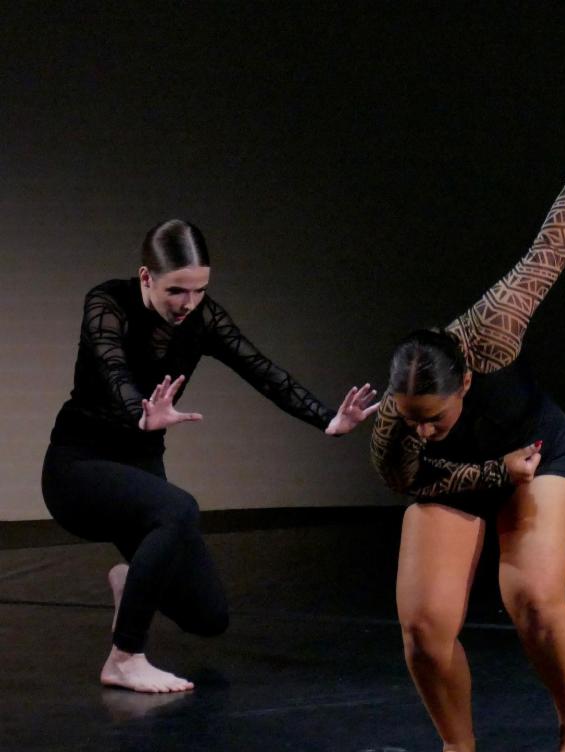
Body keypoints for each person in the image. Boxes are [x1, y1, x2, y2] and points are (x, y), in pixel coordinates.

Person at [368, 95, 565, 752]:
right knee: (422, 625)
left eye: (432, 414)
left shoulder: (493, 329)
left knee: (533, 598)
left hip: (540, 456)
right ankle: (457, 745)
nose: (418, 426)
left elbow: (552, 246)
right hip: (471, 475)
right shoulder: (397, 427)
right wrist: (480, 468)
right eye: (408, 416)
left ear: (466, 380)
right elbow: (409, 480)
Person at [41, 219, 379, 694]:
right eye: (176, 290)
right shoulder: (107, 302)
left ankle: (130, 580)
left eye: (199, 291)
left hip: (139, 473)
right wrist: (140, 412)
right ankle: (124, 659)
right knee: (179, 508)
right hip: (78, 468)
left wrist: (328, 419)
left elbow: (260, 368)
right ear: (145, 278)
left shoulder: (203, 319)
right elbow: (111, 362)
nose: (188, 304)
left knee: (209, 616)